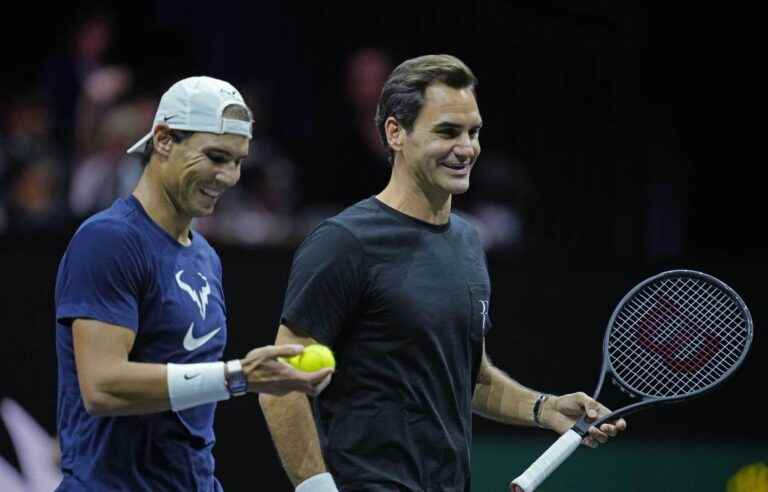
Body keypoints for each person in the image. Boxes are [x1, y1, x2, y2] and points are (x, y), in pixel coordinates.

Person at [259, 55, 627, 492]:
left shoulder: (468, 243)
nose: (467, 148)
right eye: (447, 132)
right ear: (395, 133)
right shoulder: (343, 243)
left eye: (473, 132)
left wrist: (544, 408)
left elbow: (469, 378)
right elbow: (278, 384)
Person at [54, 76, 333, 491]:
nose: (229, 176)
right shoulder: (108, 240)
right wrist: (238, 377)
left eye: (238, 161)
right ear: (164, 140)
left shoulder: (205, 256)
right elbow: (102, 387)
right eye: (216, 156)